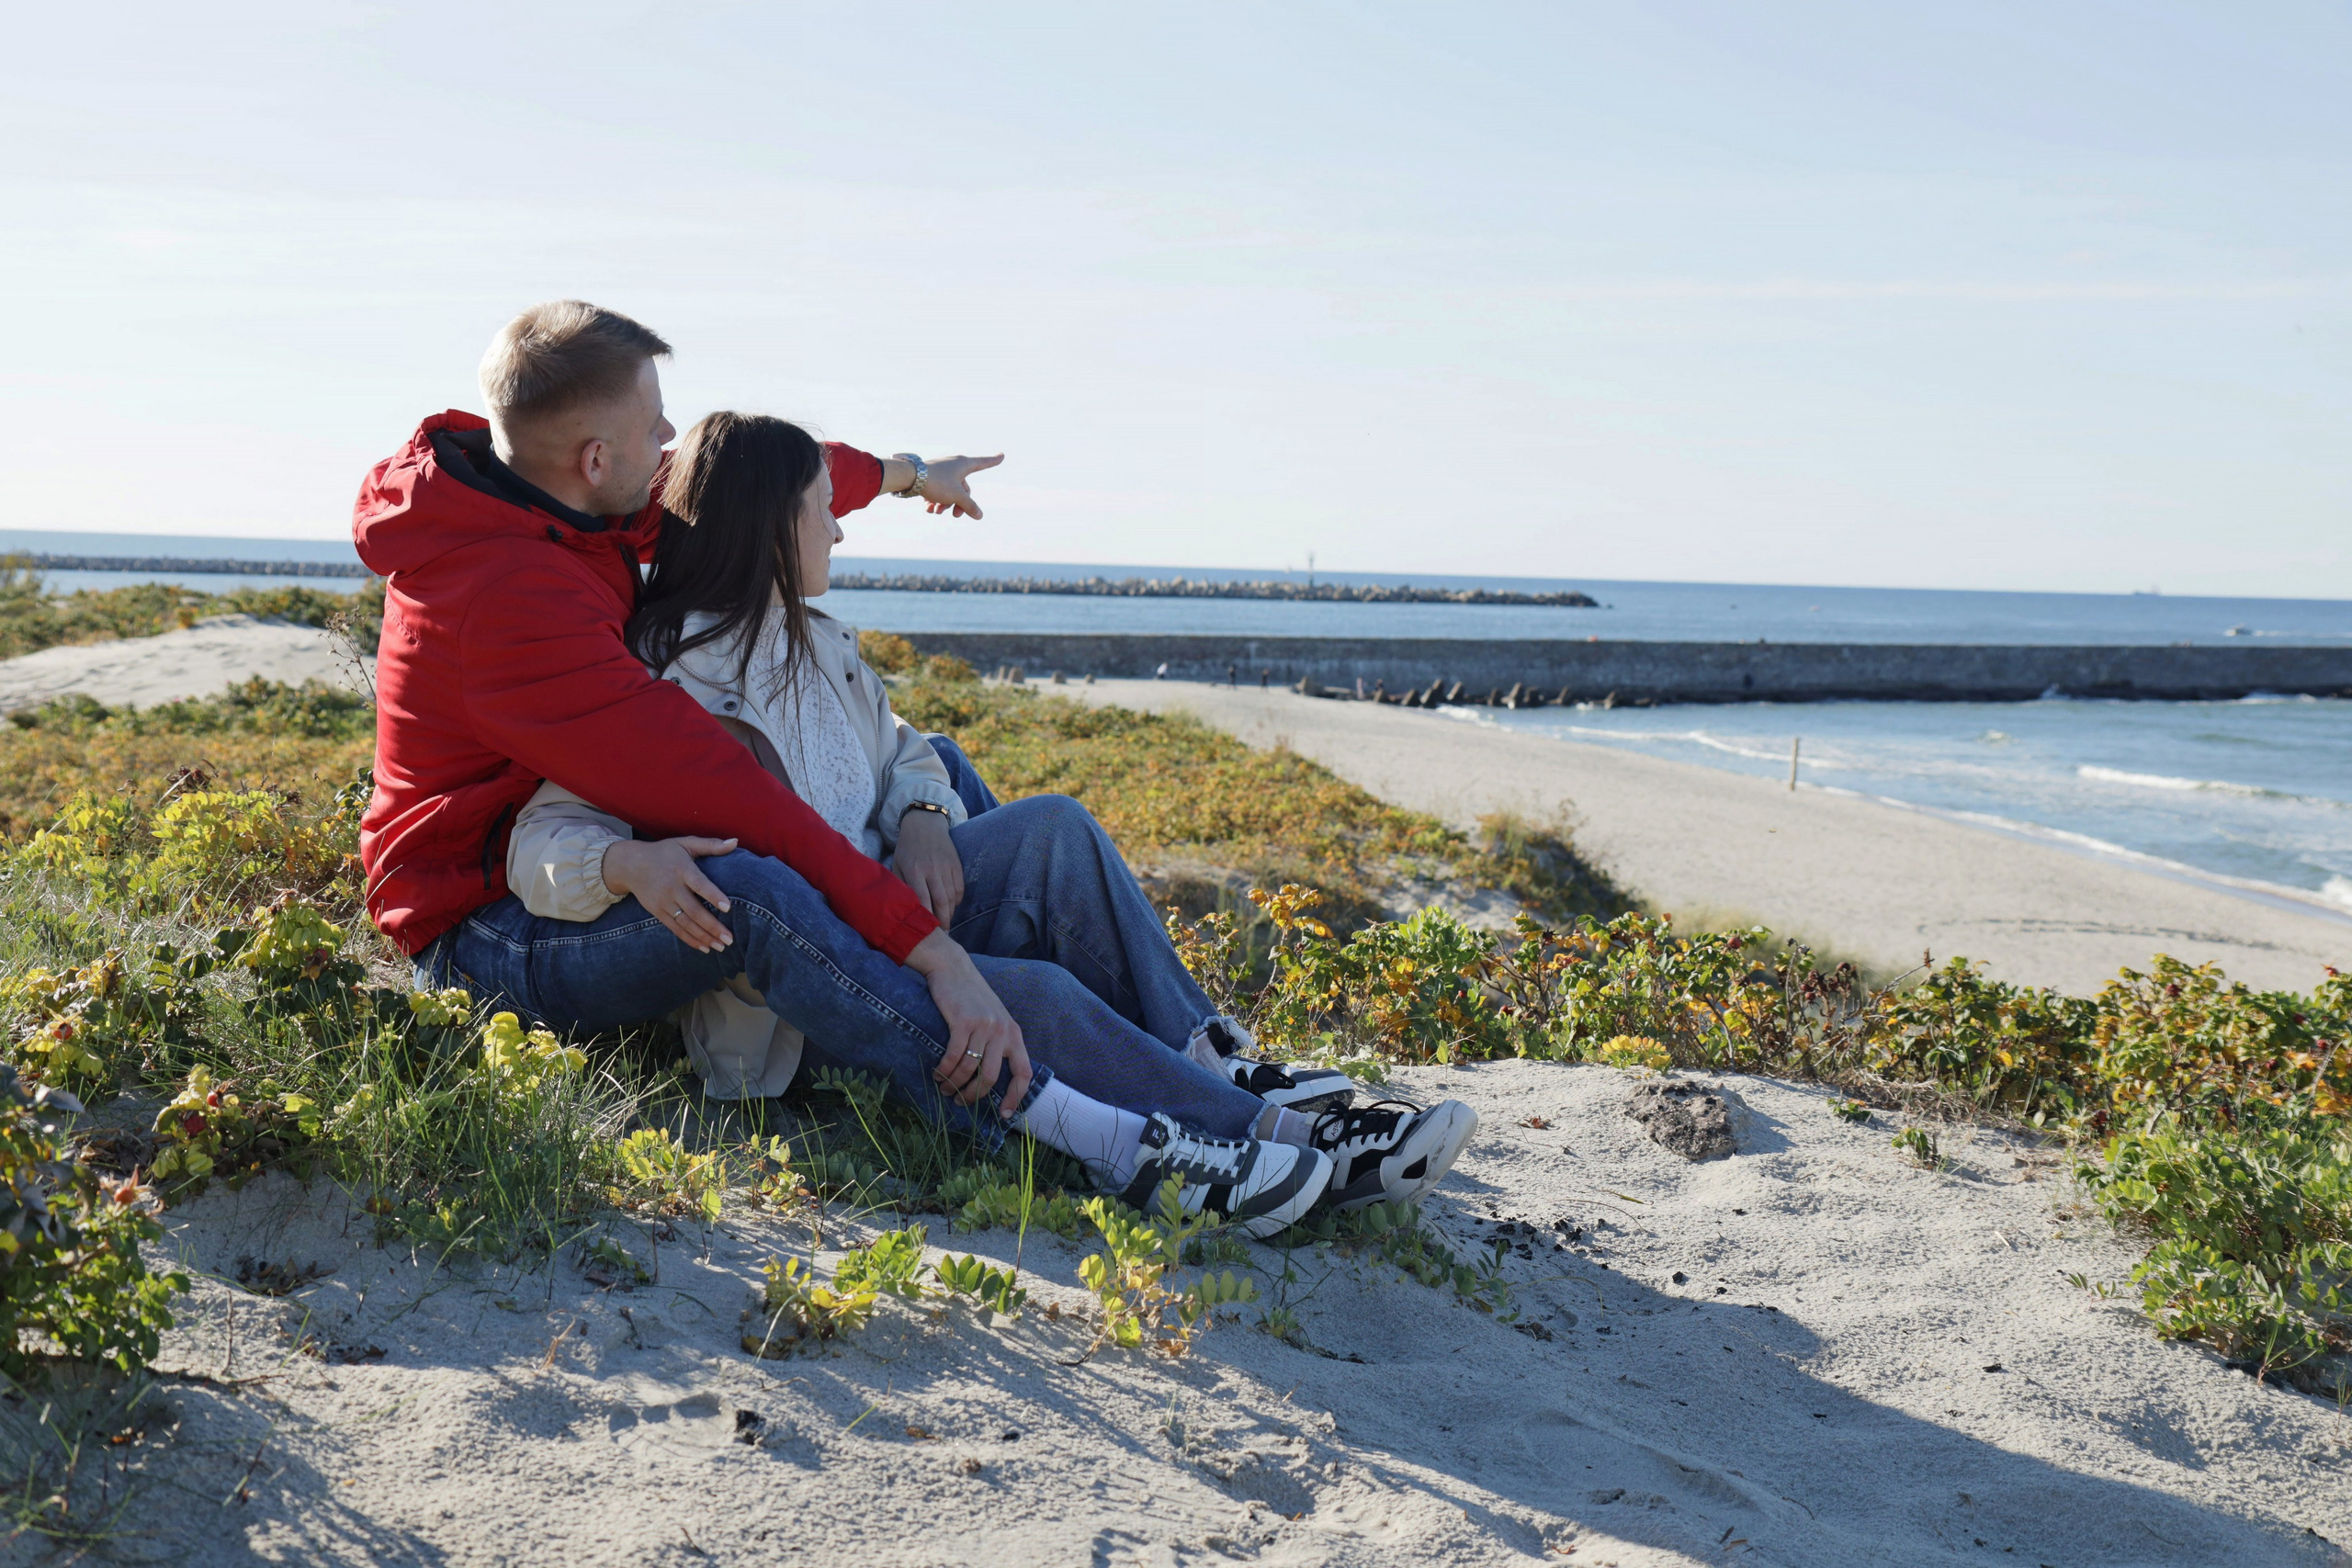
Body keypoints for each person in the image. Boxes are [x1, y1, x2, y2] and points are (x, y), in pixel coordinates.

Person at [359, 300, 1335, 1235]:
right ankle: (1075, 1116)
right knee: (756, 884)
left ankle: (1182, 1058)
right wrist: (936, 956)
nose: (670, 442)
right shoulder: (511, 603)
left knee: (940, 775)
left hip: (577, 866)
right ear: (596, 458)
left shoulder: (558, 493)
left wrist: (911, 474)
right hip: (485, 918)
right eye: (655, 429)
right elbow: (749, 806)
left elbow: (745, 483)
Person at [501, 410, 1479, 1216]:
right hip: (805, 1012)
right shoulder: (662, 683)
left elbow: (905, 749)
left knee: (1052, 826)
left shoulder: (818, 642)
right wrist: (628, 869)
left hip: (892, 908)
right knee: (1032, 996)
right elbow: (544, 834)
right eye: (818, 511)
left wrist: (925, 808)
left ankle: (1218, 1063)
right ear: (767, 528)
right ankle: (1269, 1141)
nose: (836, 530)